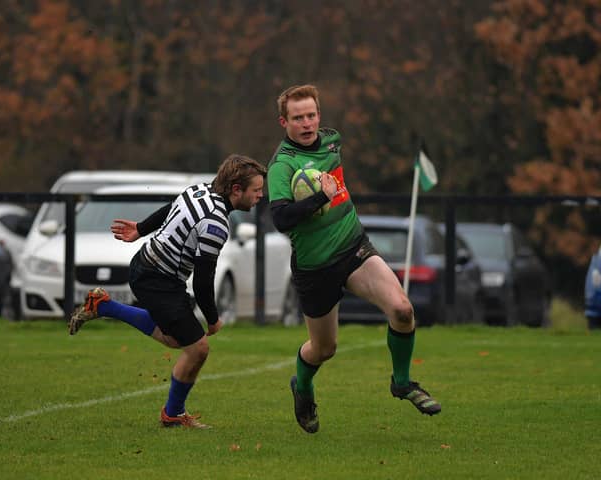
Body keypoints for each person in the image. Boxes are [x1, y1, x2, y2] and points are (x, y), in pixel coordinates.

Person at [267, 84, 441, 434]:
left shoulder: (332, 141)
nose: (307, 123)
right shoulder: (281, 166)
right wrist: (318, 198)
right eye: (298, 118)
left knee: (403, 310)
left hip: (353, 247)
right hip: (315, 267)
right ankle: (302, 387)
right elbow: (281, 219)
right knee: (324, 348)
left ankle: (403, 382)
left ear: (319, 115)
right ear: (283, 122)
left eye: (311, 115)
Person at [68, 154, 266, 429]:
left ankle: (103, 306)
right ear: (236, 189)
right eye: (256, 190)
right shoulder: (216, 224)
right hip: (157, 279)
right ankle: (173, 414)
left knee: (177, 340)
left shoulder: (199, 190)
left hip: (150, 268)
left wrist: (140, 229)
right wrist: (212, 318)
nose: (260, 196)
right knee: (198, 348)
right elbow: (203, 279)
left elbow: (170, 208)